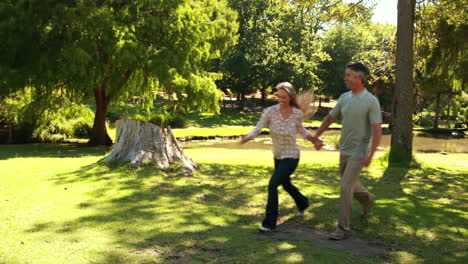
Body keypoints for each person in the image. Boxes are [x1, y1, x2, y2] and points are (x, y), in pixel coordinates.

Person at [312, 63, 382, 240]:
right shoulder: (344, 97)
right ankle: (367, 198)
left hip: (360, 150)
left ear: (359, 77)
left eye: (349, 75)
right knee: (348, 183)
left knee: (345, 186)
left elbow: (377, 130)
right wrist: (316, 135)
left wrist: (370, 155)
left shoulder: (371, 101)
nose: (346, 78)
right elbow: (329, 118)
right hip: (344, 148)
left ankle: (343, 229)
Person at [240, 82, 320, 232]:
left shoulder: (297, 114)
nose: (281, 99)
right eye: (279, 96)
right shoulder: (270, 112)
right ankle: (303, 202)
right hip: (278, 155)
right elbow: (258, 128)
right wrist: (247, 137)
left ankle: (269, 223)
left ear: (290, 97)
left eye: (284, 97)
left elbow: (302, 131)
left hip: (292, 156)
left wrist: (315, 140)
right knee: (285, 184)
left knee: (272, 185)